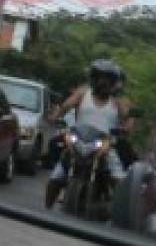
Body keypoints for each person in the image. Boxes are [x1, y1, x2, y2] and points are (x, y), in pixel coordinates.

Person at [44, 58, 131, 208]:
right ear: (94, 78)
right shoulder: (83, 93)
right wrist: (55, 117)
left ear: (113, 82)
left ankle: (116, 211)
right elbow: (65, 107)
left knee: (118, 179)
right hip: (78, 139)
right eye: (100, 78)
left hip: (106, 144)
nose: (103, 83)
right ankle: (46, 210)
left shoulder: (118, 101)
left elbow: (128, 119)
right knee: (56, 176)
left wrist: (125, 129)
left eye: (108, 79)